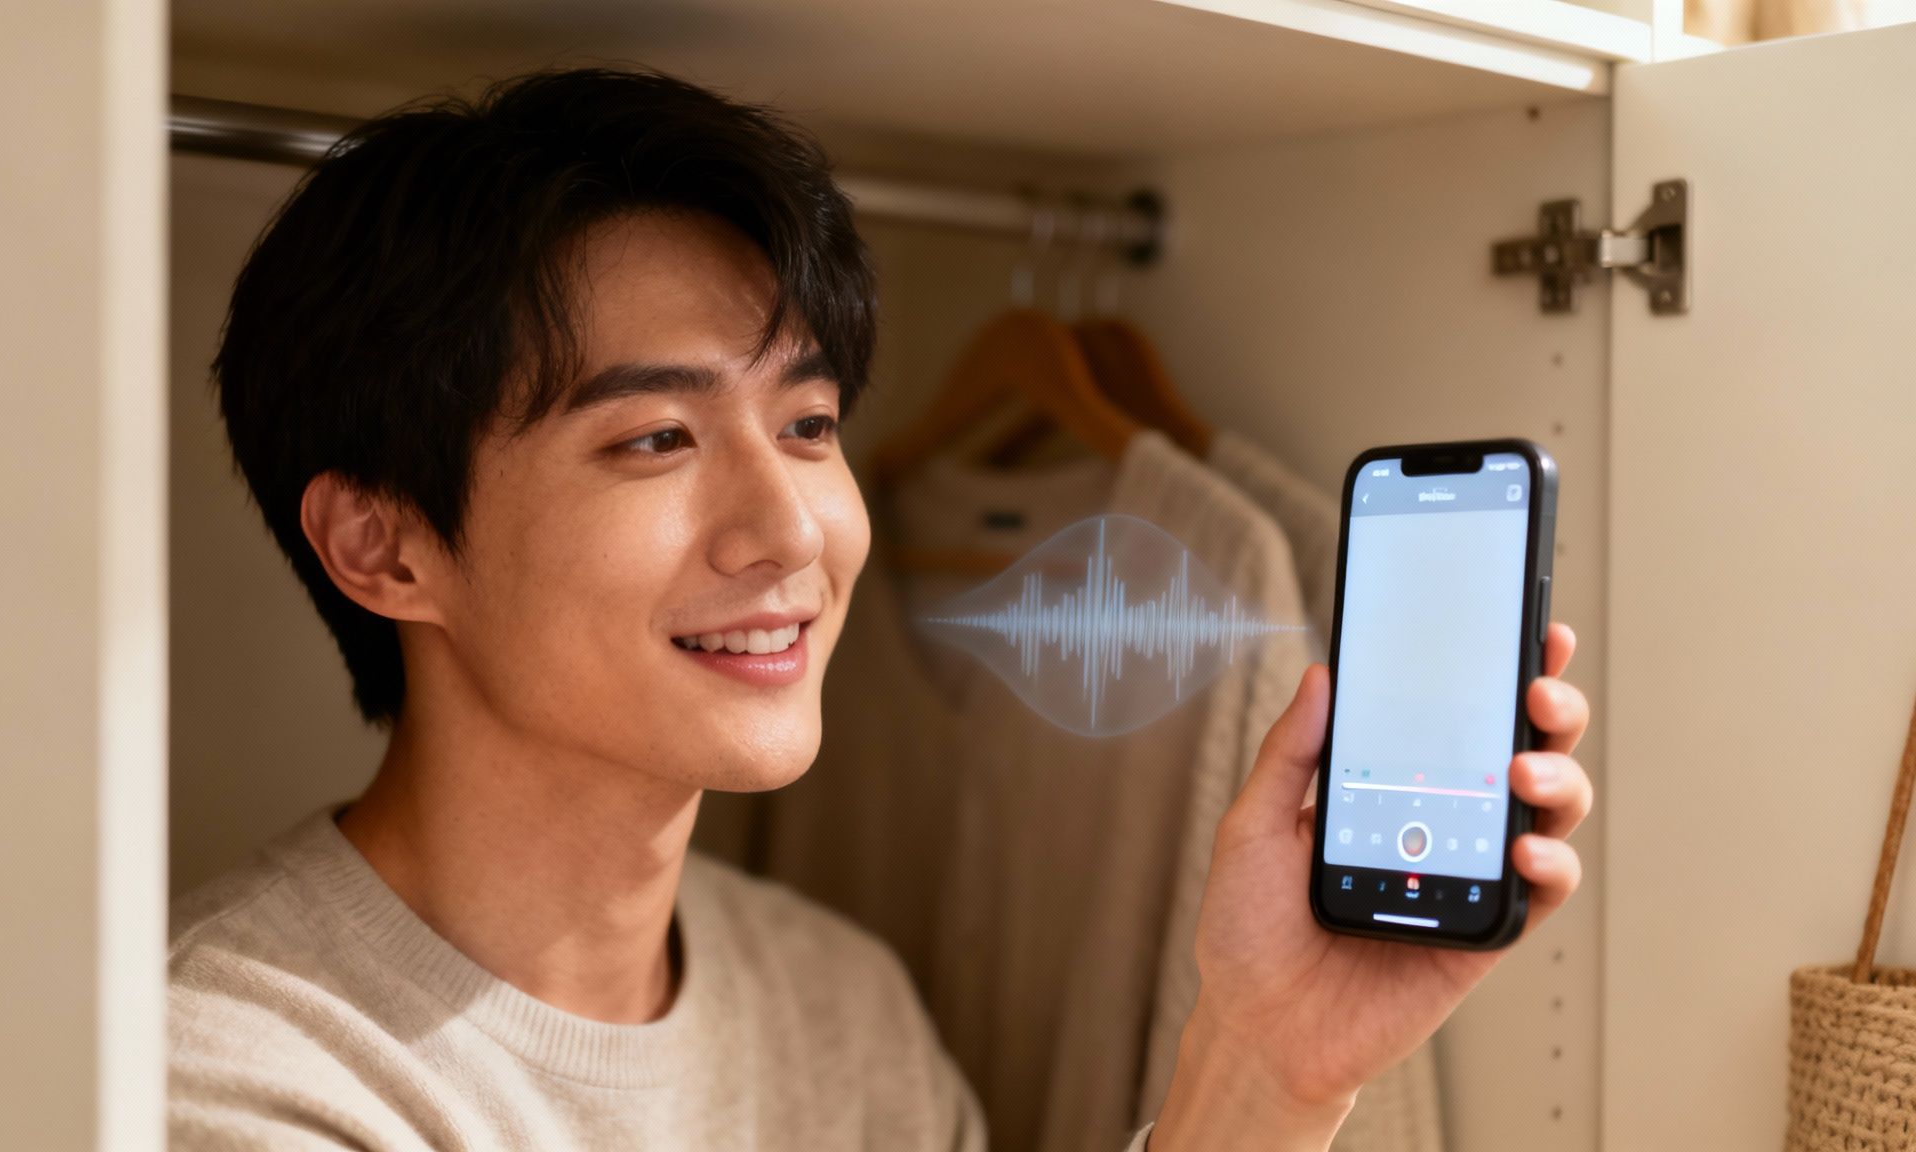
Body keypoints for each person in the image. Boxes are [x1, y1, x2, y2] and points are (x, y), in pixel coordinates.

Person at [168, 68, 1594, 1151]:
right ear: (384, 546)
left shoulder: (841, 1009)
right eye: (656, 438)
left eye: (806, 423)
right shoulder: (233, 1083)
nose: (793, 526)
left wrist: (1268, 1066)